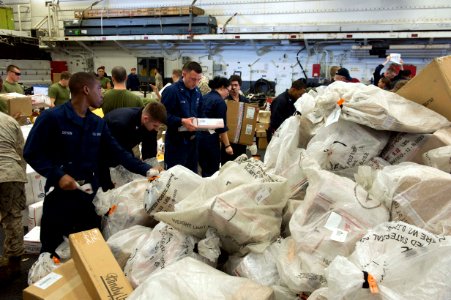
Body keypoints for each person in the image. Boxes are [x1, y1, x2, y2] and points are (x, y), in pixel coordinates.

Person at [23, 72, 152, 256]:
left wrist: (149, 170)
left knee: (91, 253)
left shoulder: (97, 123)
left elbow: (120, 153)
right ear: (86, 89)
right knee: (53, 254)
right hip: (61, 198)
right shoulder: (52, 118)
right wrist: (58, 176)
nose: (102, 93)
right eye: (99, 89)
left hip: (90, 199)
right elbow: (31, 152)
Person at [161, 61, 203, 172]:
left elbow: (200, 113)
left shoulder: (197, 92)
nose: (196, 83)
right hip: (176, 144)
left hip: (193, 144)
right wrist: (181, 121)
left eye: (199, 80)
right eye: (193, 79)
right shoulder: (171, 91)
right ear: (184, 74)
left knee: (192, 178)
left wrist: (205, 123)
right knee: (175, 178)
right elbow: (163, 116)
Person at [0, 112, 27, 281]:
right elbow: (22, 152)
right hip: (11, 173)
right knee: (13, 216)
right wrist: (21, 176)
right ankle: (14, 262)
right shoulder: (9, 121)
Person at [198, 76, 233, 177]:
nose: (228, 94)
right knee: (212, 172)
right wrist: (227, 146)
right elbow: (221, 127)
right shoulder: (220, 102)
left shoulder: (204, 97)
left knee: (203, 170)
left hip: (198, 139)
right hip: (210, 141)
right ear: (222, 87)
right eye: (228, 90)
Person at [221, 75, 249, 165]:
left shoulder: (245, 100)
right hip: (228, 138)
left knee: (241, 163)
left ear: (239, 86)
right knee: (227, 164)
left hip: (241, 140)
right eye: (231, 85)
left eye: (236, 85)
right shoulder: (225, 101)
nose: (233, 87)